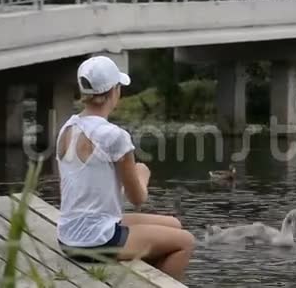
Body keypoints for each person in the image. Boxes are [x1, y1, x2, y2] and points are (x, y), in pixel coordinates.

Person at [56, 55, 195, 281]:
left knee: (174, 224)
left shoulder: (67, 128)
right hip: (96, 241)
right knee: (185, 241)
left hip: (69, 236)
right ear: (114, 91)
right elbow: (138, 198)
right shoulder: (114, 137)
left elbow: (88, 189)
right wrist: (143, 174)